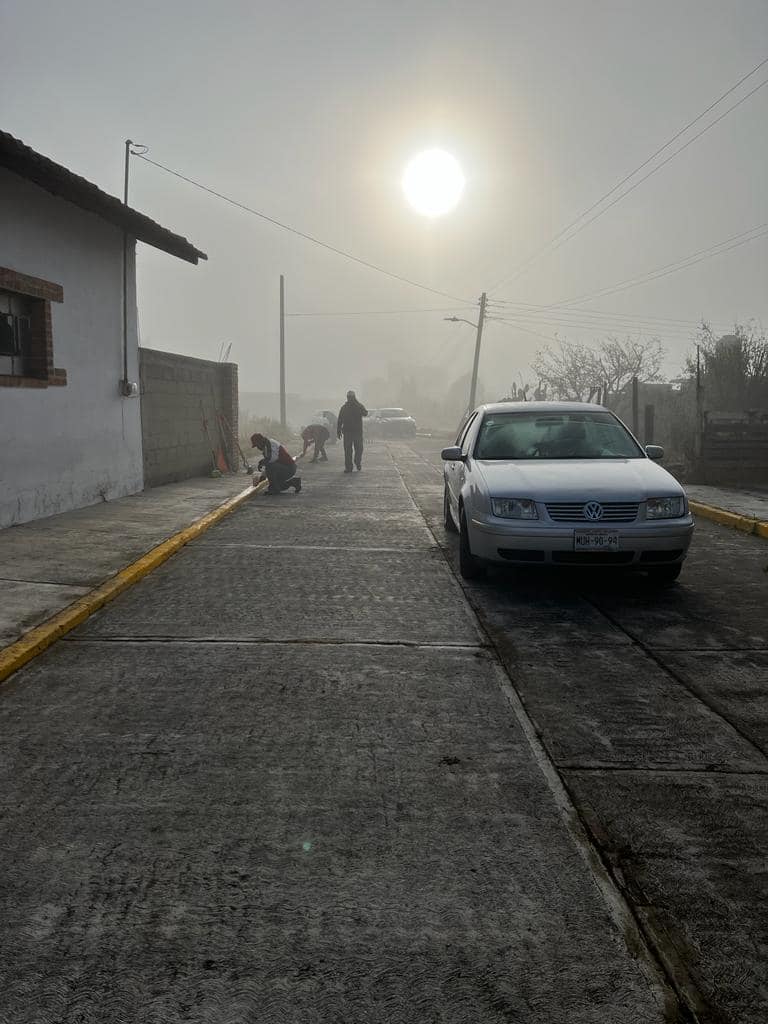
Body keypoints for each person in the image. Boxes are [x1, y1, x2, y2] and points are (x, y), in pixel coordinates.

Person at [337, 390, 368, 472]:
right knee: (349, 451)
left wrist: (339, 431)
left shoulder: (356, 406)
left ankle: (356, 462)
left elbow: (365, 413)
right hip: (349, 432)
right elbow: (340, 420)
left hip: (355, 432)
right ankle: (349, 467)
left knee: (357, 449)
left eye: (351, 397)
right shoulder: (345, 407)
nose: (350, 399)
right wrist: (338, 430)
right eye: (349, 397)